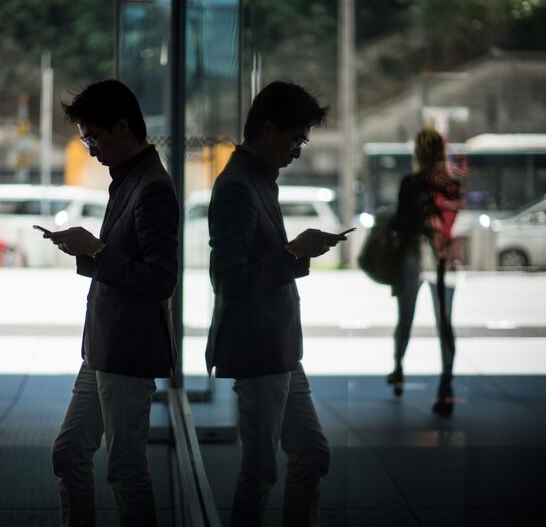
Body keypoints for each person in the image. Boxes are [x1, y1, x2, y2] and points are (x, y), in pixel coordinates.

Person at [206, 81, 343, 527]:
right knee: (261, 469)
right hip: (258, 349)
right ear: (268, 129)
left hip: (277, 348)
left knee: (311, 454)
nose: (298, 150)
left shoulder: (259, 179)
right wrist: (292, 253)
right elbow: (227, 279)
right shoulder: (238, 187)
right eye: (295, 138)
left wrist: (294, 254)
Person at [48, 79, 179, 527]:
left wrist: (98, 251)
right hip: (105, 347)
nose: (91, 149)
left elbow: (161, 280)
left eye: (95, 137)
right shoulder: (127, 179)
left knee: (125, 472)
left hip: (127, 350)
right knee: (68, 455)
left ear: (123, 127)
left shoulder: (151, 186)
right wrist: (89, 251)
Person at [387, 127, 463, 417]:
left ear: (418, 153)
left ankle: (398, 368)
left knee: (405, 317)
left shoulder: (410, 183)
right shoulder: (452, 185)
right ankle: (446, 384)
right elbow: (451, 222)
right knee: (445, 323)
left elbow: (401, 223)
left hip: (414, 258)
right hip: (446, 258)